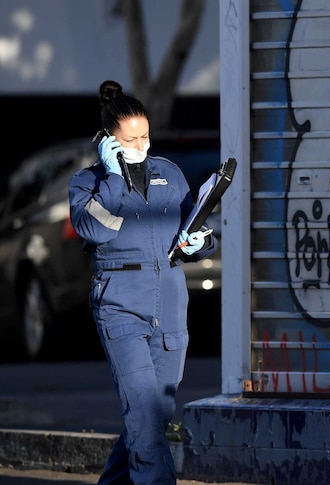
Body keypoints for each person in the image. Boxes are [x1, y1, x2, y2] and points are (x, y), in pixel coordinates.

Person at [69, 80, 217, 484]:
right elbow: (95, 230)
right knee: (146, 419)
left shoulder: (169, 172)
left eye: (145, 136)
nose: (140, 145)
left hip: (169, 305)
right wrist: (114, 178)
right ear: (109, 142)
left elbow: (195, 229)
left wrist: (200, 242)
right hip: (121, 307)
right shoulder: (88, 184)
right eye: (130, 139)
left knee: (152, 417)